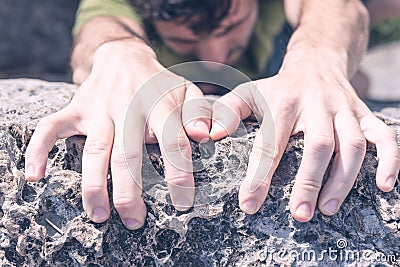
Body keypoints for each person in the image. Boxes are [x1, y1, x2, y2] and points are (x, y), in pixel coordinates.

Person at [24, 0, 400, 230]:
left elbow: (335, 6)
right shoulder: (125, 5)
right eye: (187, 42)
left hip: (281, 54)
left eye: (231, 27)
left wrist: (320, 59)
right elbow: (99, 26)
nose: (217, 56)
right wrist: (116, 54)